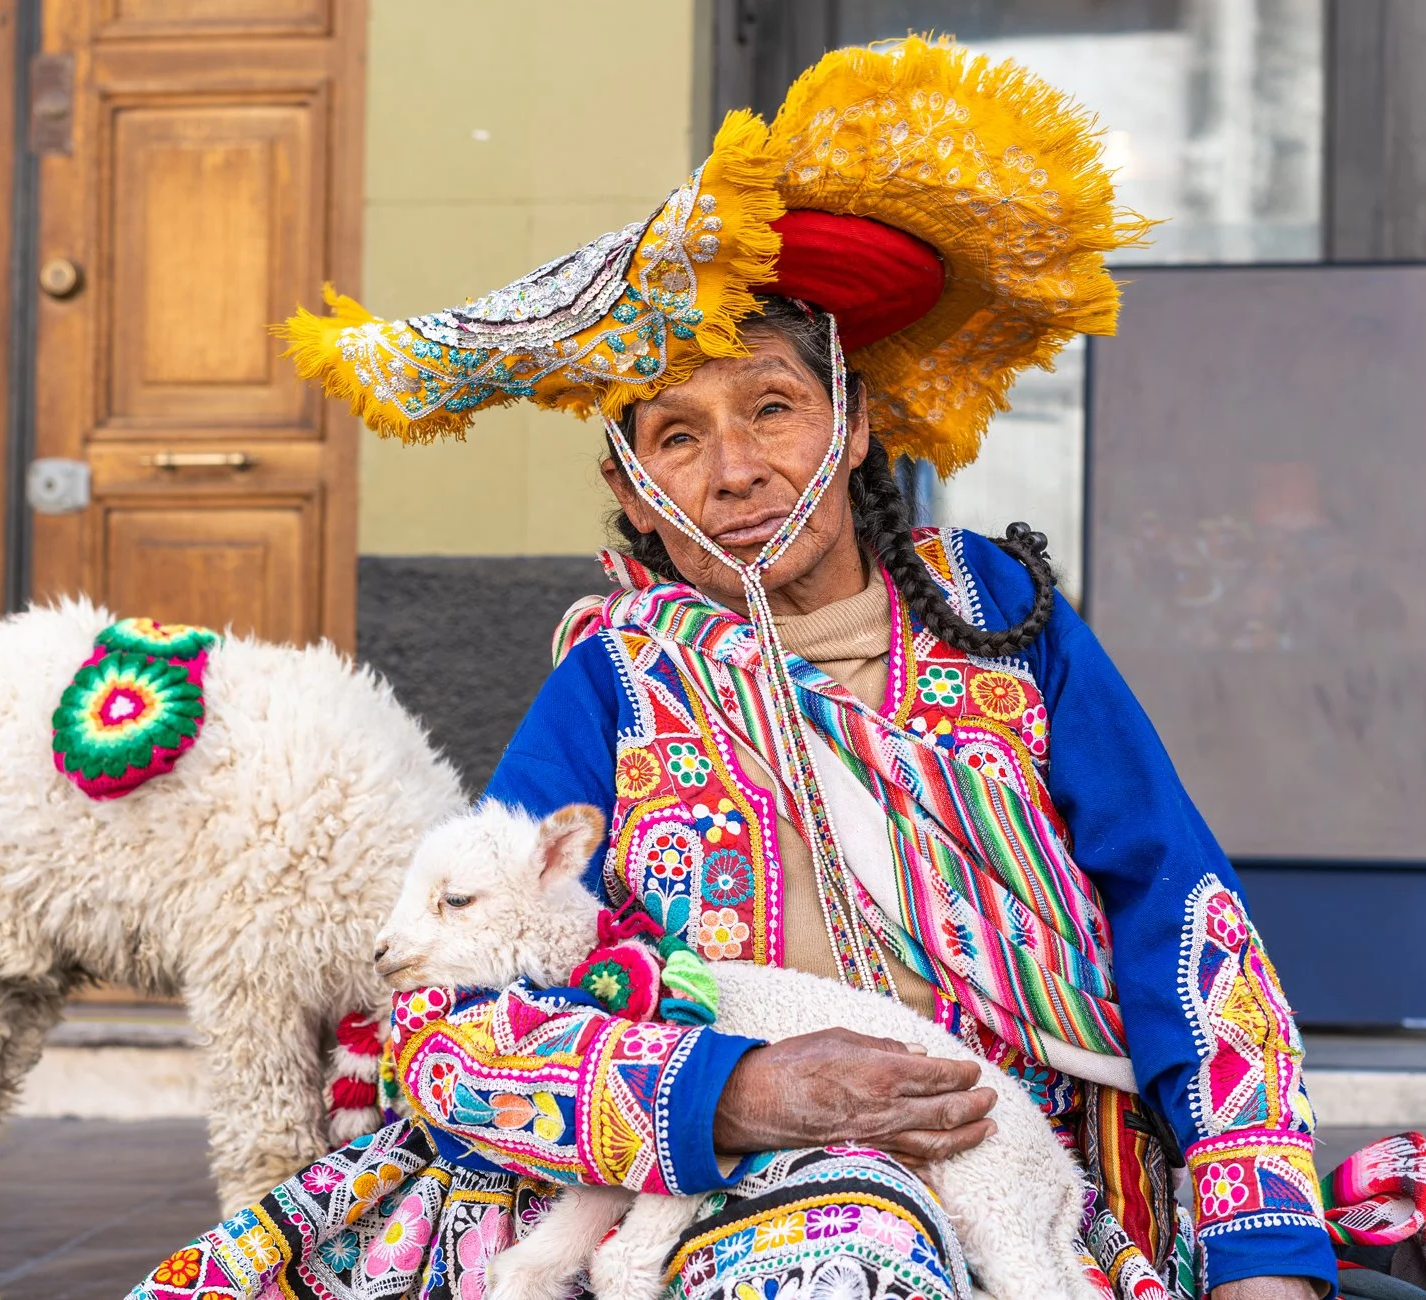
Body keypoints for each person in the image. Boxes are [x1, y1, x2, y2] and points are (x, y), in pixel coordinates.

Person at [130, 37, 1330, 1300]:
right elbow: (445, 1023)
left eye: (771, 407)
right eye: (677, 436)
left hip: (1018, 1152)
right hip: (718, 1161)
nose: (737, 470)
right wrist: (745, 1091)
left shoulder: (1001, 618)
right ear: (632, 492)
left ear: (852, 425)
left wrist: (1263, 1255)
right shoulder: (611, 684)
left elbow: (1188, 925)